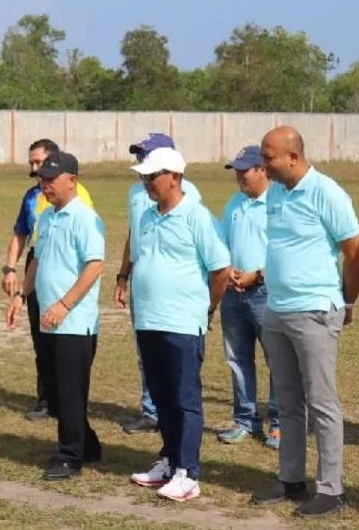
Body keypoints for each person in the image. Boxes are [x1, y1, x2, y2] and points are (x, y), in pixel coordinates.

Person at [250, 126, 359, 518]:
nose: (263, 165)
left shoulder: (327, 192)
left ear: (293, 157)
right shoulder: (276, 192)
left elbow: (356, 250)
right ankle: (291, 478)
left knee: (322, 403)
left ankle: (331, 489)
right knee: (287, 401)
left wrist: (348, 300)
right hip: (277, 310)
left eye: (269, 158)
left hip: (314, 311)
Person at [127, 147, 230, 503]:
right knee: (161, 396)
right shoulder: (147, 216)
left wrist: (207, 308)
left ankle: (188, 472)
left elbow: (220, 270)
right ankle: (170, 460)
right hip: (149, 320)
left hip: (183, 322)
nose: (146, 182)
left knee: (184, 398)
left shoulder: (197, 216)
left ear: (174, 177)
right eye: (143, 176)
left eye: (152, 176)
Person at [6, 151, 103, 481]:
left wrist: (65, 305)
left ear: (71, 181)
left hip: (74, 323)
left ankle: (69, 457)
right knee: (57, 394)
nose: (44, 185)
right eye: (41, 180)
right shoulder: (47, 217)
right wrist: (21, 295)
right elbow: (37, 259)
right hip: (48, 320)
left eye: (51, 179)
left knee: (70, 392)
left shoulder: (84, 218)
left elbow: (95, 266)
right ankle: (87, 444)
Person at [113, 133, 202, 435]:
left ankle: (173, 412)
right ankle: (151, 410)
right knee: (146, 350)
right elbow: (133, 235)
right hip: (143, 283)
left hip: (174, 291)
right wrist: (123, 275)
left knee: (175, 358)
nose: (141, 160)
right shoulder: (135, 192)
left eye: (146, 154)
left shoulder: (189, 193)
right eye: (139, 155)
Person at [2, 139, 95, 421]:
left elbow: (91, 258)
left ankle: (69, 405)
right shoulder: (33, 197)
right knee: (42, 338)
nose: (34, 169)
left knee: (66, 347)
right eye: (31, 163)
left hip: (65, 269)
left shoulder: (79, 200)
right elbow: (21, 234)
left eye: (39, 163)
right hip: (39, 262)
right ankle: (47, 399)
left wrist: (65, 302)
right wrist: (11, 272)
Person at [217, 145, 280, 448]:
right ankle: (245, 420)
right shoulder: (234, 203)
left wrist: (257, 275)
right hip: (233, 293)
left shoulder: (278, 203)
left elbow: (284, 252)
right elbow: (221, 243)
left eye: (245, 170)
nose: (240, 176)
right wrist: (227, 269)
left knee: (277, 359)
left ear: (263, 170)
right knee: (237, 359)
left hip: (267, 293)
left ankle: (279, 424)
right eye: (237, 171)